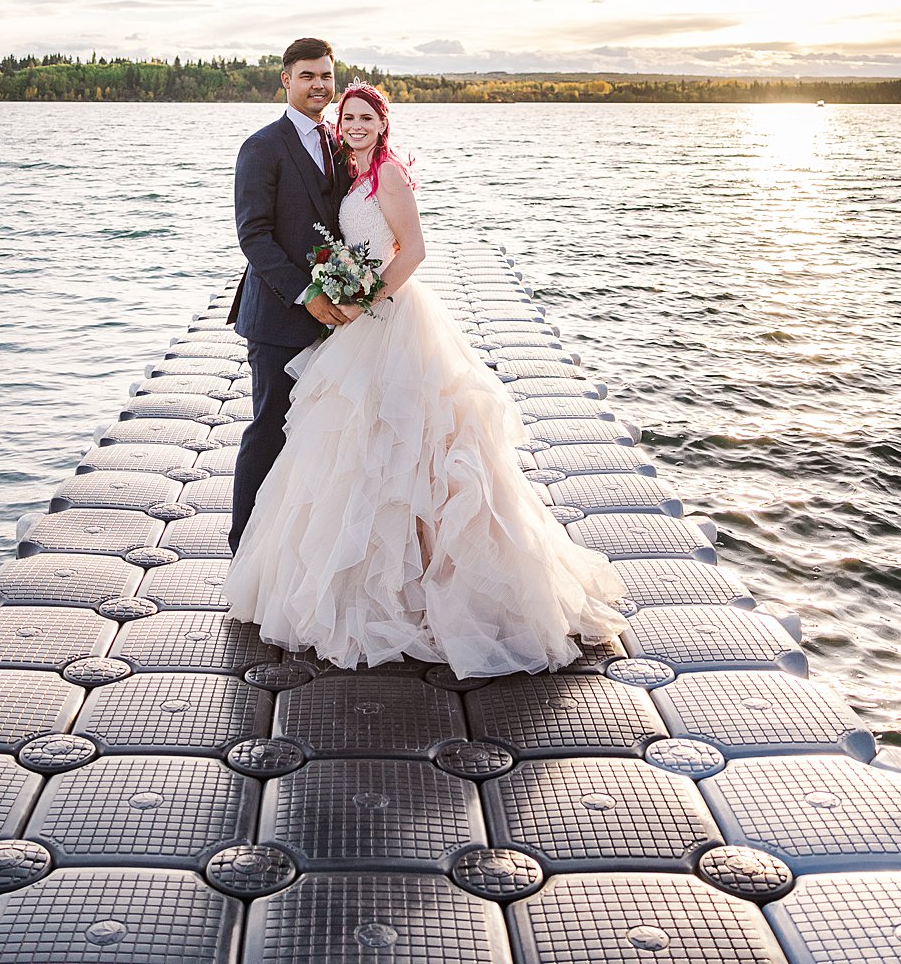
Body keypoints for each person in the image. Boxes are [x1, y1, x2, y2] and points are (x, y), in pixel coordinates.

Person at [225, 81, 629, 675]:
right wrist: (341, 288)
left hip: (388, 317)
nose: (355, 124)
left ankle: (421, 575)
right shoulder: (344, 169)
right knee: (348, 443)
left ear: (382, 124)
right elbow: (277, 232)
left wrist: (366, 299)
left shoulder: (387, 175)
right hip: (351, 320)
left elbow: (412, 251)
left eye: (365, 117)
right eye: (349, 117)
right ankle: (349, 568)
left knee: (412, 440)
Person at [227, 36, 353, 554]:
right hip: (280, 318)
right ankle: (244, 550)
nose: (319, 85)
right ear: (286, 79)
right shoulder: (262, 147)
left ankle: (300, 549)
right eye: (307, 75)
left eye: (326, 75)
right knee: (269, 430)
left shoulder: (341, 142)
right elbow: (253, 235)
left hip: (340, 318)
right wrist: (307, 293)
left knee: (323, 432)